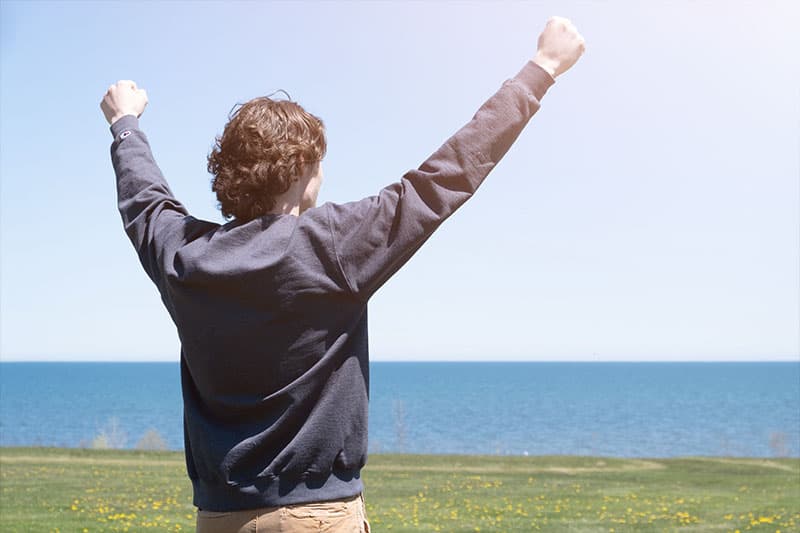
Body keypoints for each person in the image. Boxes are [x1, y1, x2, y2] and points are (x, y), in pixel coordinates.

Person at [101, 15, 584, 533]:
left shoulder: (184, 258)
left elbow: (144, 200)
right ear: (301, 168)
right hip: (317, 516)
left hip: (220, 519)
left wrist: (124, 124)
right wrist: (542, 68)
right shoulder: (333, 245)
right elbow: (448, 174)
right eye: (320, 164)